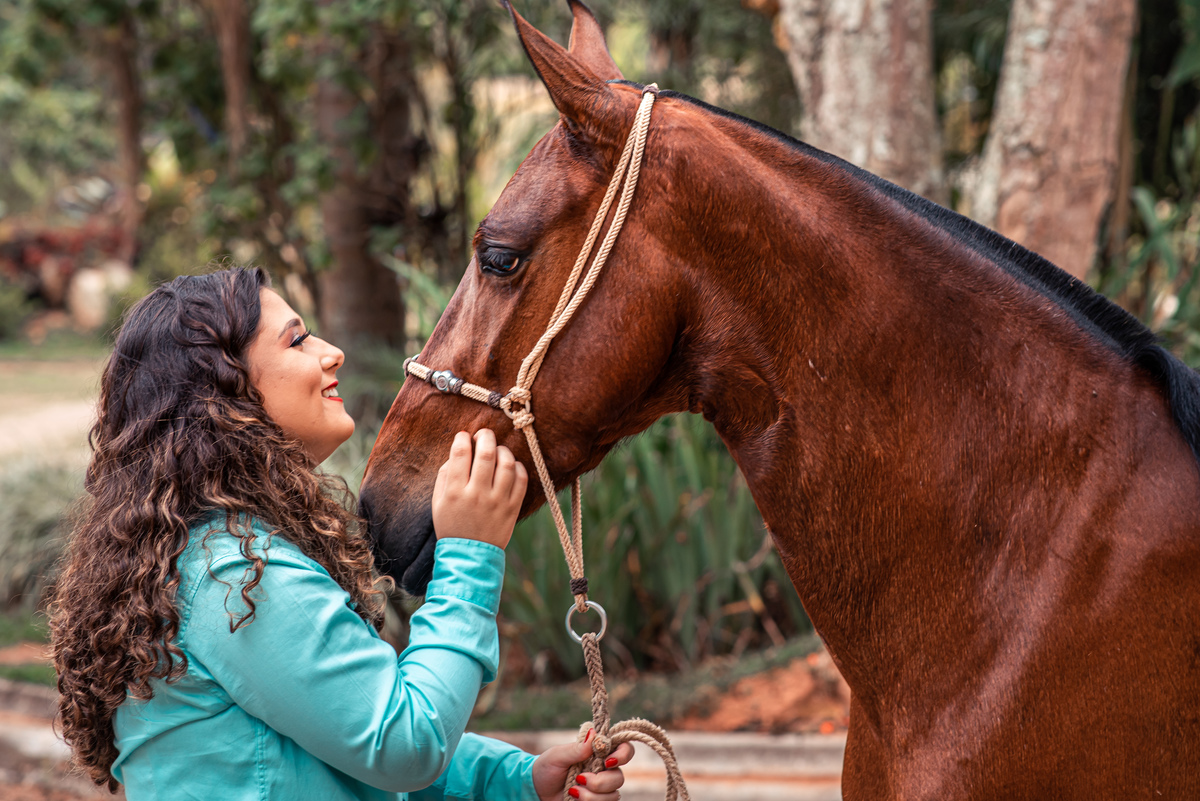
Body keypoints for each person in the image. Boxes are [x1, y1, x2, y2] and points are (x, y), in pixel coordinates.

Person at [50, 266, 633, 800]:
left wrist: (517, 780)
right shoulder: (234, 574)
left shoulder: (217, 556)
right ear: (223, 391)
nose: (332, 354)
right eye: (298, 340)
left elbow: (337, 740)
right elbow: (403, 744)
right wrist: (469, 556)